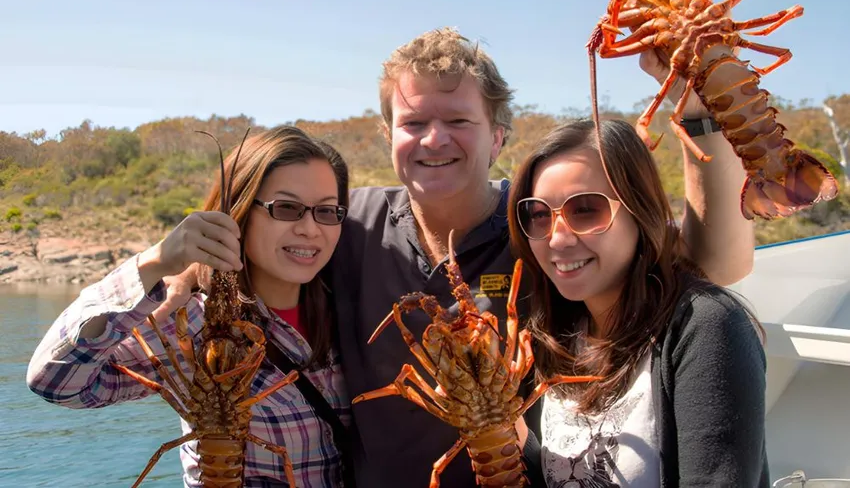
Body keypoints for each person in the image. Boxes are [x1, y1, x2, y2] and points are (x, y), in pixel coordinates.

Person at [157, 27, 757, 487]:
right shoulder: (343, 221)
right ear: (387, 134)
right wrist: (190, 267)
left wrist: (699, 112)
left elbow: (707, 269)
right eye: (413, 121)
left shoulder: (539, 226)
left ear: (498, 135)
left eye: (459, 121)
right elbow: (265, 239)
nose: (435, 139)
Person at [26, 126, 353, 487]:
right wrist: (153, 264)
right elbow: (55, 383)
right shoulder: (189, 322)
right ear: (241, 213)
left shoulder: (353, 306)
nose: (310, 229)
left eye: (327, 211)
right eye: (287, 208)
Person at [507, 118, 768, 487]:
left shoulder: (706, 327)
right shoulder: (553, 339)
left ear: (638, 210)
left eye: (585, 209)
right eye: (538, 215)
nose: (558, 239)